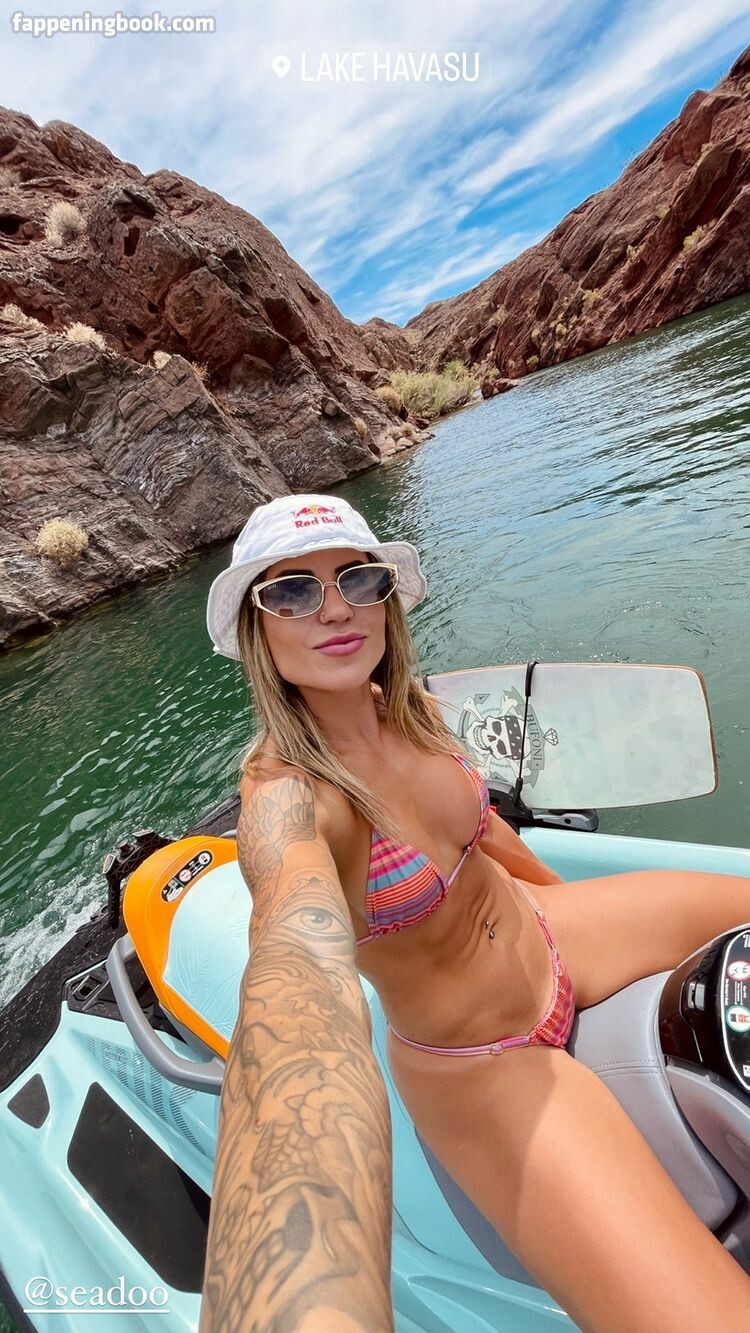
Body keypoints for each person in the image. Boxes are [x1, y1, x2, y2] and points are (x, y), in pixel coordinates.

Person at [202, 492, 750, 1332]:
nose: (336, 607)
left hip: (551, 935)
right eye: (294, 591)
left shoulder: (406, 709)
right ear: (256, 626)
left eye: (358, 578)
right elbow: (292, 964)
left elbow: (485, 828)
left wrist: (566, 899)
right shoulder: (288, 800)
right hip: (484, 1061)